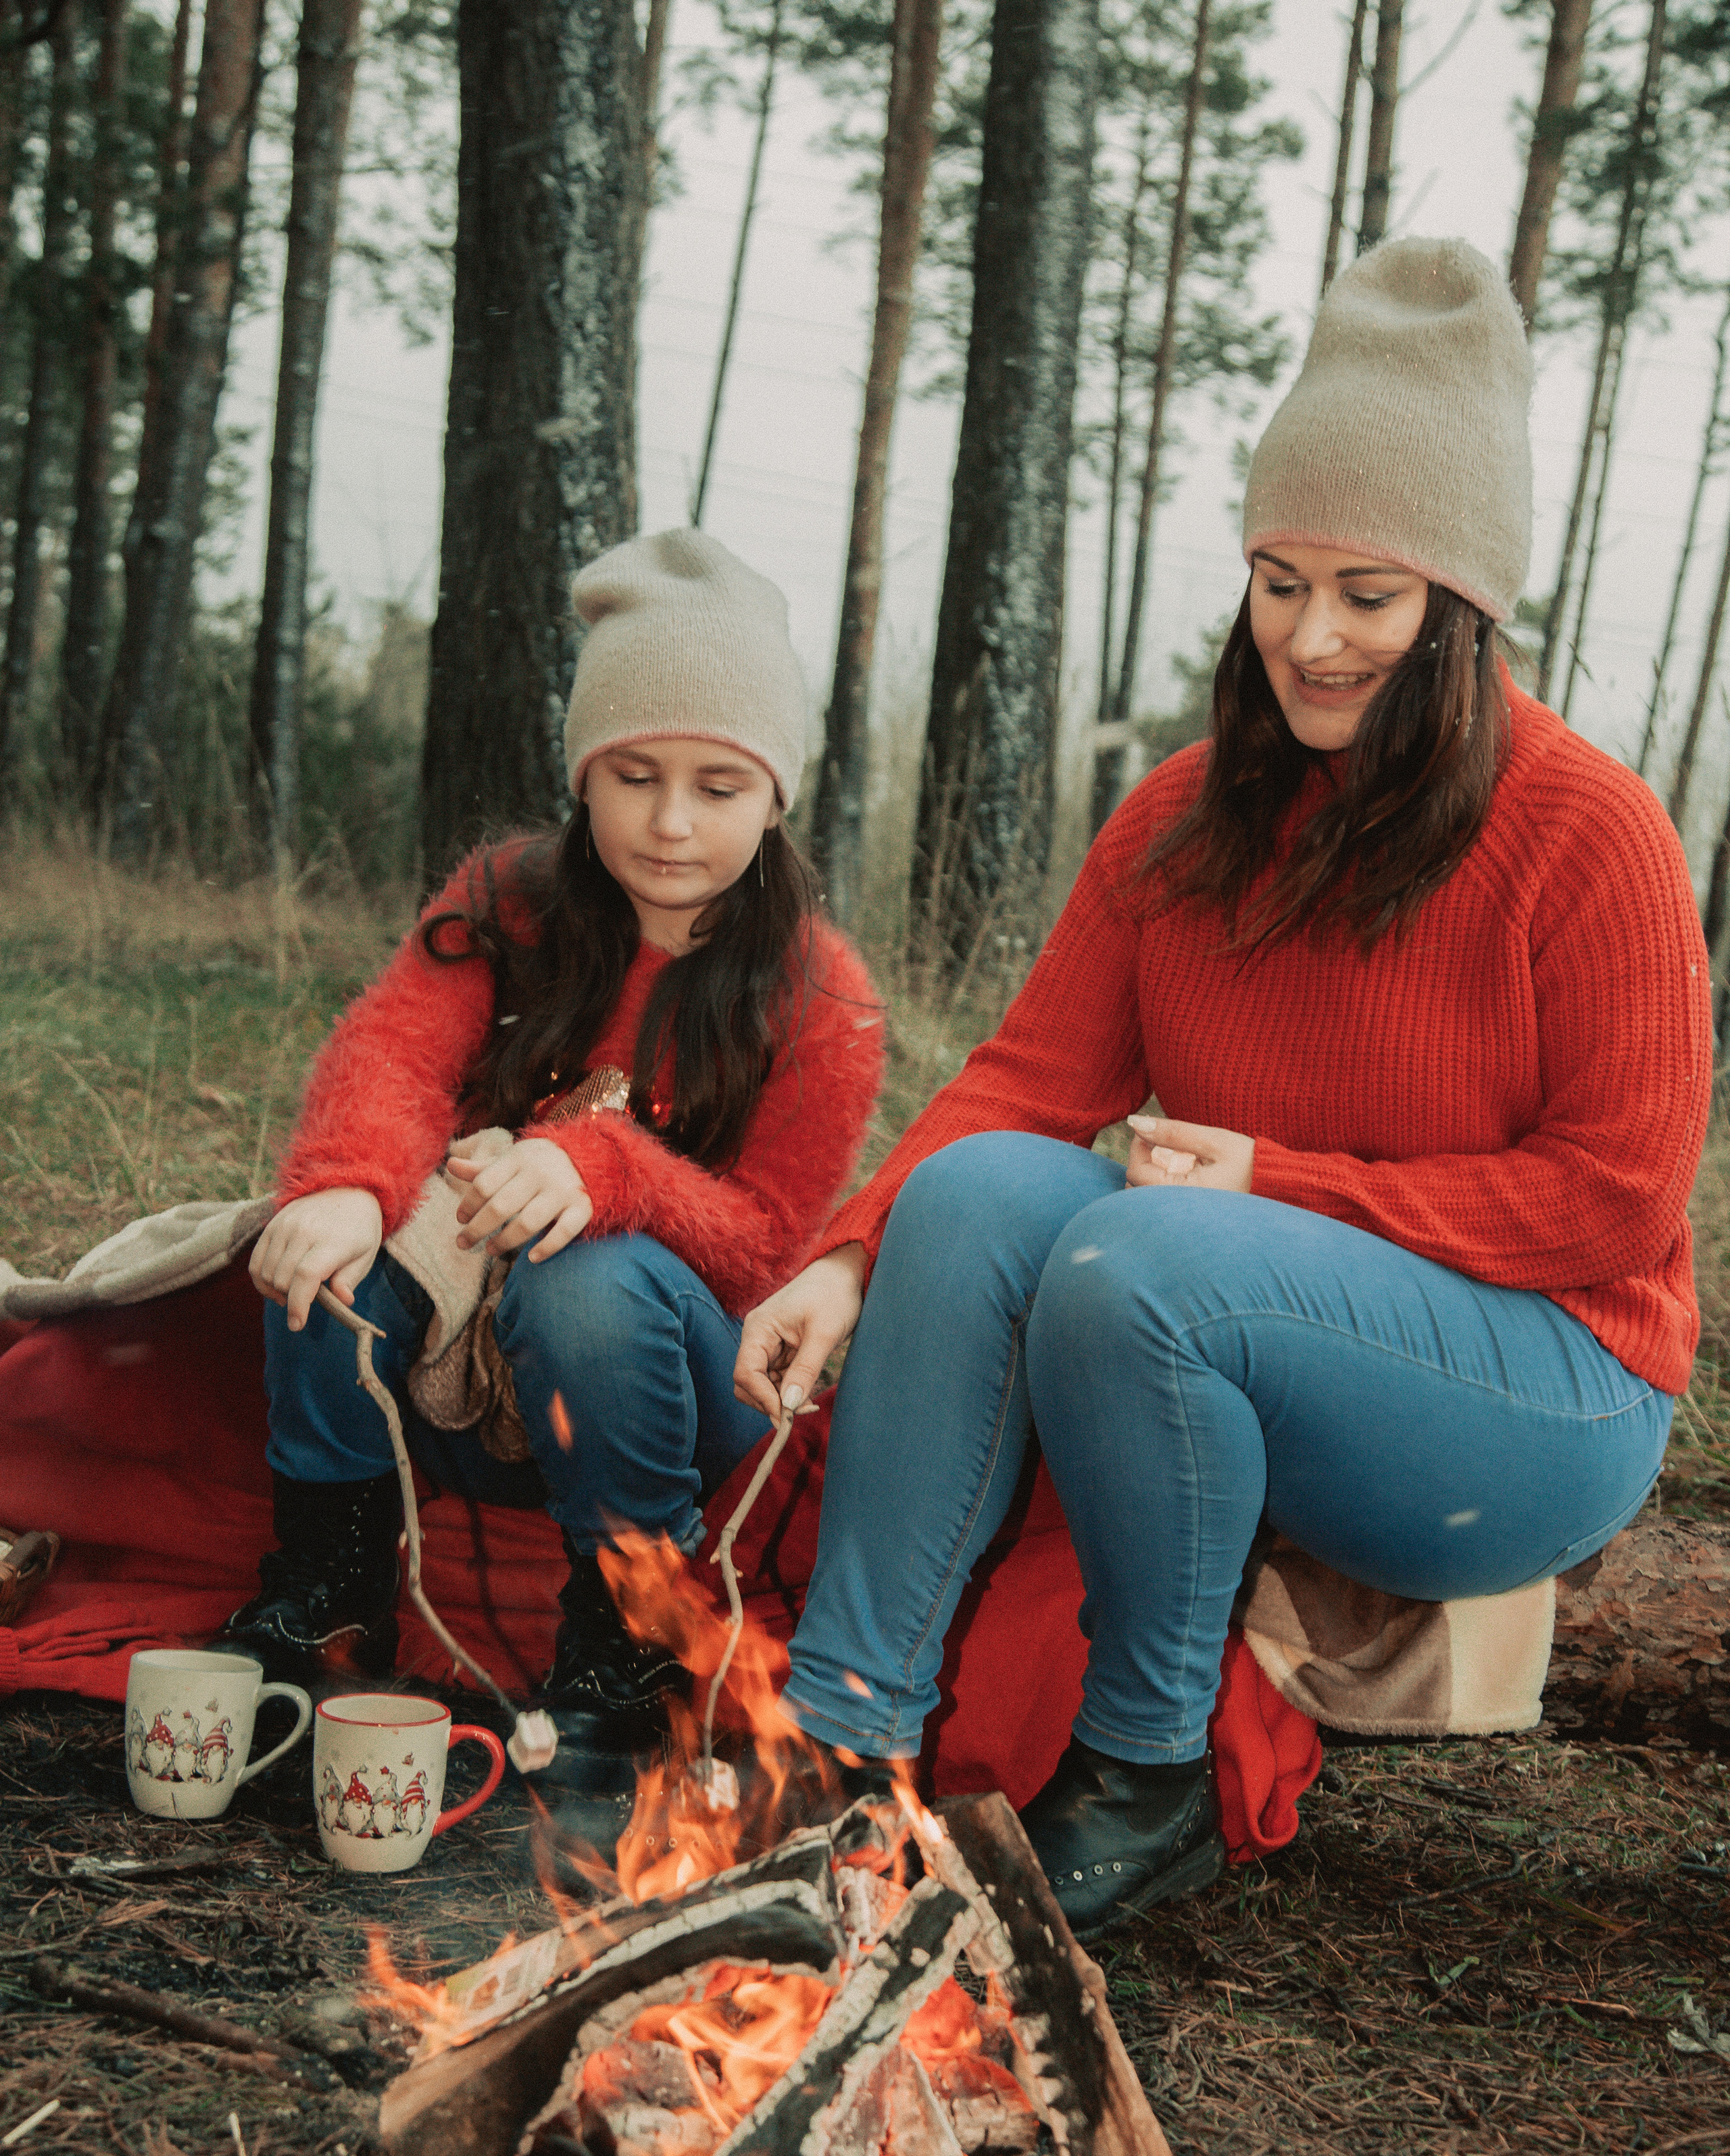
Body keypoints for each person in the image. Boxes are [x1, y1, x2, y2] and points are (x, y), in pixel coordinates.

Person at [734, 238, 1712, 1934]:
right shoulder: (1180, 823)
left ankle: (1146, 1772)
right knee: (978, 1198)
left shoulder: (1588, 831)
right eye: (1277, 578)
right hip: (1245, 1309)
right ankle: (836, 1752)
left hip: (1544, 1393)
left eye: (1366, 592)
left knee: (1143, 1255)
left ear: (1460, 607)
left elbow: (1614, 1202)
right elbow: (1024, 1082)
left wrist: (1284, 1183)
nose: (1309, 637)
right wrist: (843, 1254)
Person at [222, 530, 884, 1842]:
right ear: (585, 777)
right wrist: (349, 1184)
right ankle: (332, 1573)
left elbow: (761, 1257)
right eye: (632, 776)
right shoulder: (509, 898)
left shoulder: (822, 995)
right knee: (318, 1234)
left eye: (718, 784)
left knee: (590, 1269)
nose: (672, 821)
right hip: (460, 1380)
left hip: (673, 1399)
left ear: (775, 798)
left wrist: (603, 1167)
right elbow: (392, 1052)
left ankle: (627, 1635)